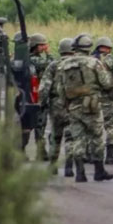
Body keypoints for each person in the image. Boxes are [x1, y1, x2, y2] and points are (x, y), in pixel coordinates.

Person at [56, 34, 113, 183]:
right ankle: (99, 171)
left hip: (73, 106)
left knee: (77, 138)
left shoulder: (64, 65)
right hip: (92, 105)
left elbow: (60, 88)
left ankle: (80, 173)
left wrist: (65, 104)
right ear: (88, 47)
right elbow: (106, 83)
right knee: (97, 137)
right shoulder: (94, 63)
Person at [39, 37, 75, 176]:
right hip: (73, 104)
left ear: (60, 50)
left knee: (55, 136)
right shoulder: (77, 65)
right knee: (70, 137)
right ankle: (69, 167)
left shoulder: (53, 66)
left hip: (56, 104)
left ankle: (53, 166)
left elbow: (45, 87)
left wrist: (42, 103)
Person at [94, 36, 113, 165]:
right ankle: (110, 156)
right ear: (109, 48)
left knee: (94, 127)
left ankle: (91, 154)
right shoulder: (111, 60)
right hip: (110, 99)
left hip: (93, 99)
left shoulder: (91, 60)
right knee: (111, 127)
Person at [28, 33, 54, 162]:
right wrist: (49, 53)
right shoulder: (34, 59)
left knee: (40, 125)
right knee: (39, 125)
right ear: (34, 45)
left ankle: (41, 152)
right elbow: (52, 64)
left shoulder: (33, 58)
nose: (44, 47)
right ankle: (41, 152)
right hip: (37, 96)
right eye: (41, 45)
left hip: (37, 95)